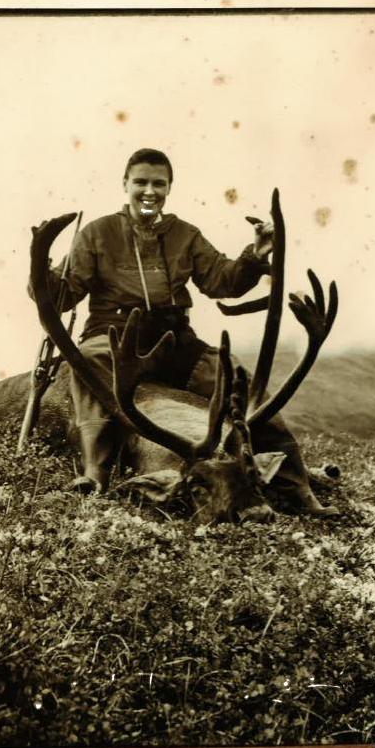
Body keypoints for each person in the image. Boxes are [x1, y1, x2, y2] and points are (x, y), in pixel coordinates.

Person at [30, 148, 327, 513]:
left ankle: (296, 485)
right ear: (126, 185)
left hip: (175, 340)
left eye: (159, 183)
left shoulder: (185, 235)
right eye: (141, 182)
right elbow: (63, 296)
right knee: (88, 365)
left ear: (169, 188)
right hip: (115, 336)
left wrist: (254, 254)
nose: (149, 191)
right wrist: (42, 277)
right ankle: (95, 474)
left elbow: (222, 282)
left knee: (239, 384)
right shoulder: (97, 233)